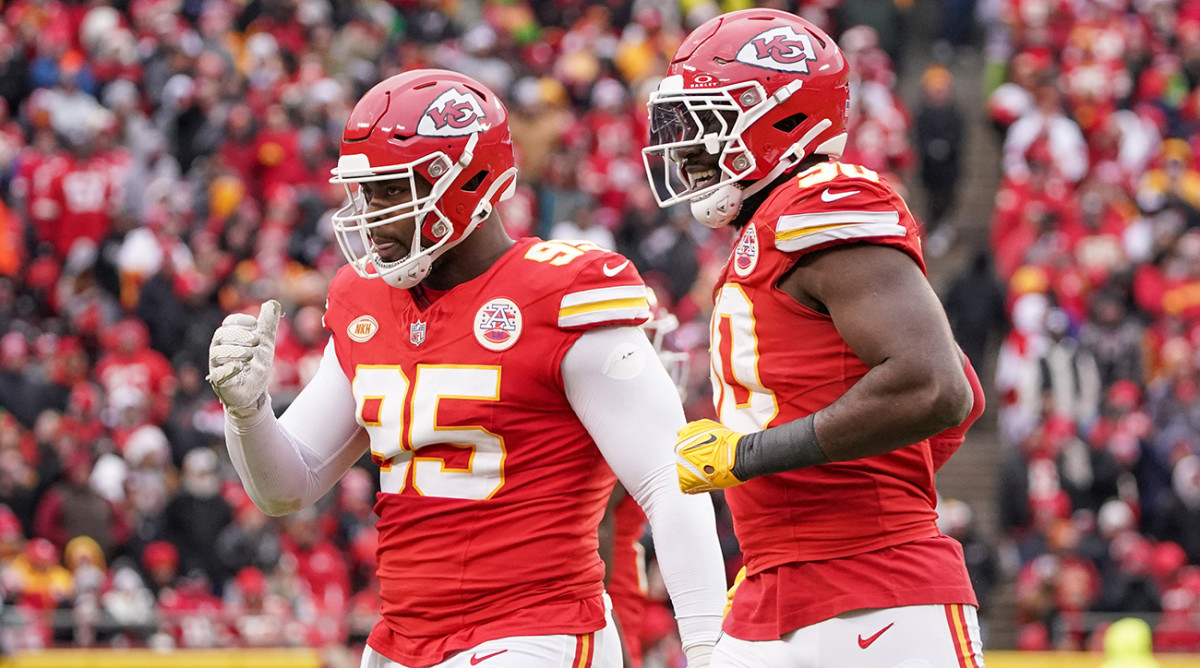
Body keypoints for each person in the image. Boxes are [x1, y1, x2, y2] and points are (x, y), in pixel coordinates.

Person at [208, 69, 725, 668]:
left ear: (465, 182)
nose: (369, 217)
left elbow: (670, 480)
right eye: (364, 194)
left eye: (389, 191)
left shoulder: (562, 292)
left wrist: (706, 648)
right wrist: (248, 411)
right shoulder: (364, 300)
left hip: (537, 633)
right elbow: (287, 487)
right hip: (403, 639)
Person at [641, 10, 987, 667]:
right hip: (775, 584)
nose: (686, 148)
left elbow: (937, 389)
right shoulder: (772, 227)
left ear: (778, 119)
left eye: (704, 122)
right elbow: (959, 389)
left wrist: (754, 458)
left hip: (875, 585)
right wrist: (792, 524)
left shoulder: (823, 205)